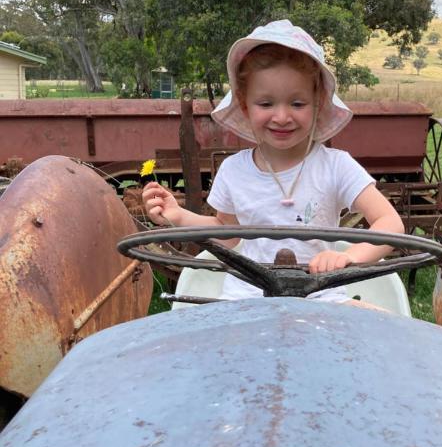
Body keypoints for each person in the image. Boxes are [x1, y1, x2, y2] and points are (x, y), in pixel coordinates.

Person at [142, 19, 404, 303]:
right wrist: (178, 215)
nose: (281, 117)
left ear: (317, 103)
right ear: (245, 105)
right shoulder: (234, 171)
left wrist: (346, 257)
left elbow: (390, 223)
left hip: (322, 298)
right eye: (266, 104)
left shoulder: (336, 166)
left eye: (297, 103)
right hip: (247, 298)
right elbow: (228, 235)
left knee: (386, 335)